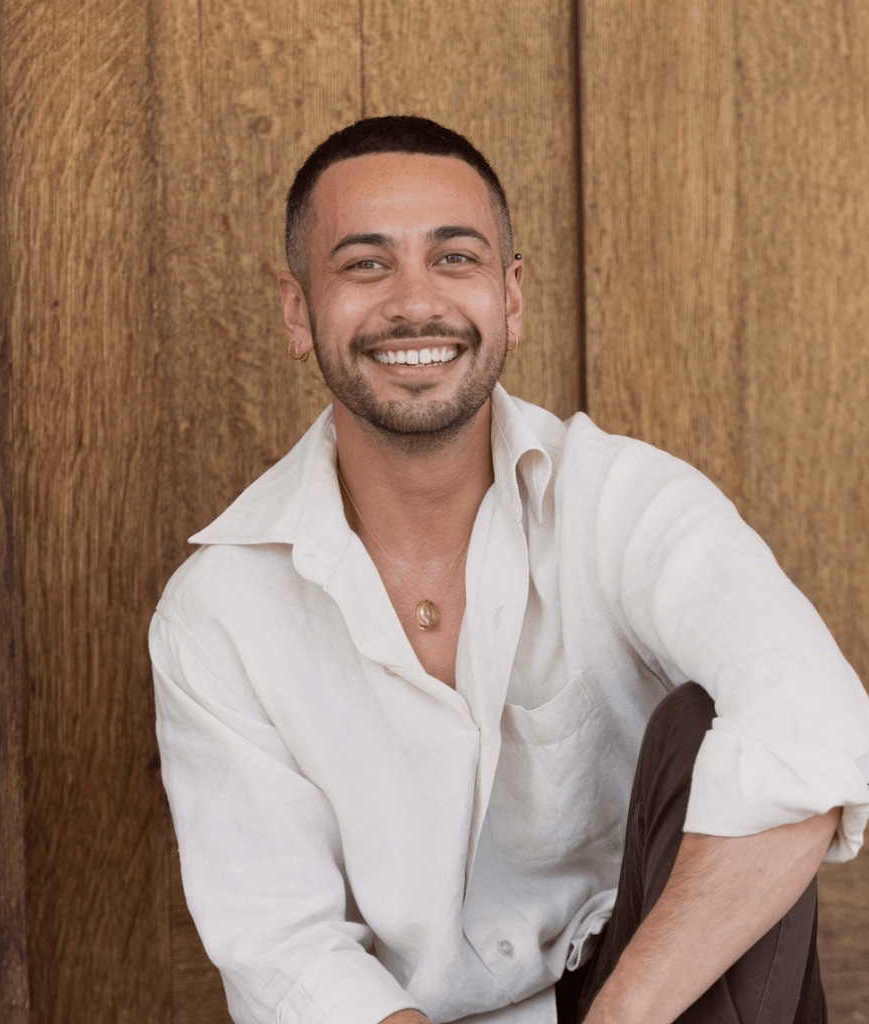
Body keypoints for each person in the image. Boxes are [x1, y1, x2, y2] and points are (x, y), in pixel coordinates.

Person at [150, 115, 869, 1024]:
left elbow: (813, 722)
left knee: (711, 730)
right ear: (298, 311)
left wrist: (619, 1015)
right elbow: (285, 950)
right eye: (366, 264)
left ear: (511, 297)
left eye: (454, 258)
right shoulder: (219, 610)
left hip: (657, 998)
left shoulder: (620, 500)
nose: (415, 303)